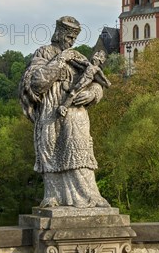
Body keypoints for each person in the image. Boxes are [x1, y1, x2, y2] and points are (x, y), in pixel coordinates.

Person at [19, 16, 110, 208]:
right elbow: (36, 84)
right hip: (51, 112)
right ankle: (53, 197)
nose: (71, 42)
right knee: (50, 151)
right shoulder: (44, 53)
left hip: (76, 114)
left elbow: (97, 83)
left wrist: (92, 94)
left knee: (80, 150)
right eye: (68, 38)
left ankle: (91, 196)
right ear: (59, 34)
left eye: (73, 39)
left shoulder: (77, 57)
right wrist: (61, 60)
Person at [58, 50, 111, 117]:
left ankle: (64, 107)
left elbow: (102, 78)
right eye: (95, 56)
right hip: (81, 78)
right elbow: (80, 63)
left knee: (74, 92)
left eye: (97, 57)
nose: (94, 59)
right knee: (74, 90)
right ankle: (65, 106)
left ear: (100, 62)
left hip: (86, 81)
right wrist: (72, 59)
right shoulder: (88, 64)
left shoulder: (97, 69)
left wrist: (93, 94)